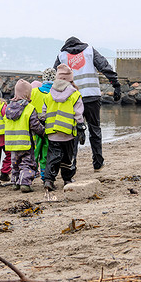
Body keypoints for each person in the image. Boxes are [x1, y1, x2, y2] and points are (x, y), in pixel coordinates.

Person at [53, 37, 121, 171]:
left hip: (71, 98)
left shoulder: (62, 56)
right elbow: (105, 66)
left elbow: (55, 77)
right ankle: (98, 162)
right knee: (95, 129)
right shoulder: (89, 51)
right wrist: (116, 85)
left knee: (72, 131)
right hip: (92, 96)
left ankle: (72, 164)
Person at [42, 64, 85, 192]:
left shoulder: (49, 94)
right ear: (69, 79)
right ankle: (67, 179)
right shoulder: (75, 94)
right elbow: (78, 113)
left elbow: (44, 113)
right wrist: (81, 127)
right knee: (68, 156)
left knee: (53, 156)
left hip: (52, 131)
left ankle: (49, 180)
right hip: (68, 132)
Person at [4, 79, 45, 193]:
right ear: (27, 93)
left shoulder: (8, 108)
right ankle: (25, 183)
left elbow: (5, 122)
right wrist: (43, 132)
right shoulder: (29, 108)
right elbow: (35, 125)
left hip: (11, 143)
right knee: (28, 163)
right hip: (25, 142)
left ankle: (15, 182)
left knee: (15, 164)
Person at [30, 67, 56, 182]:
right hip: (50, 127)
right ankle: (44, 174)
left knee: (35, 150)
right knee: (46, 151)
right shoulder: (55, 93)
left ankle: (31, 171)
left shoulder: (34, 92)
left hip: (35, 127)